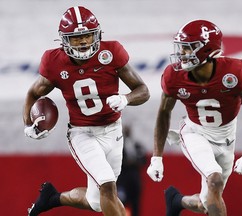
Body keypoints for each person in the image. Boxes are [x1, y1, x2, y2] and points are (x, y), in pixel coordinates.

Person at [23, 6, 150, 216]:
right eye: (76, 38)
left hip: (113, 131)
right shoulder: (54, 62)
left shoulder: (112, 53)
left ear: (97, 34)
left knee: (98, 201)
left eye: (88, 35)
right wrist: (28, 123)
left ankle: (53, 197)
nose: (83, 42)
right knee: (108, 187)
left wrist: (125, 99)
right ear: (64, 40)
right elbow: (32, 93)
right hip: (82, 133)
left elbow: (143, 90)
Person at [146, 20, 242, 216]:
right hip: (195, 132)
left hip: (227, 138)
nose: (182, 54)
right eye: (181, 48)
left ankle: (176, 200)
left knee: (206, 204)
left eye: (189, 48)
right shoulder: (174, 76)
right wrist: (156, 156)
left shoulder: (234, 72)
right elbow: (163, 113)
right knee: (214, 179)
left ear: (208, 50)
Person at [117, 125, 147, 216]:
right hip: (122, 180)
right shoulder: (118, 146)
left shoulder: (136, 145)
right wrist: (128, 163)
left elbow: (144, 160)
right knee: (121, 203)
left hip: (135, 180)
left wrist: (134, 162)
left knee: (135, 204)